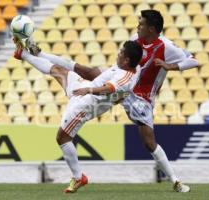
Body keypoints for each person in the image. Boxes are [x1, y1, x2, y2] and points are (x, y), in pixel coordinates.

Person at [24, 9, 198, 192]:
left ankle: (175, 181)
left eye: (141, 24)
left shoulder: (166, 47)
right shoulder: (134, 39)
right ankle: (39, 54)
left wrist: (170, 66)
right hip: (122, 83)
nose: (137, 26)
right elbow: (123, 65)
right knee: (85, 71)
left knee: (148, 142)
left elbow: (193, 60)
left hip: (141, 98)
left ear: (152, 29)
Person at [14, 39, 143, 193]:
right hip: (84, 88)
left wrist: (89, 90)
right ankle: (26, 53)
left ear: (127, 60)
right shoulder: (133, 68)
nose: (118, 54)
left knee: (62, 137)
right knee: (59, 70)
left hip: (87, 103)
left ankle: (78, 177)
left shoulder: (126, 76)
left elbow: (110, 88)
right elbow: (120, 94)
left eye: (121, 53)